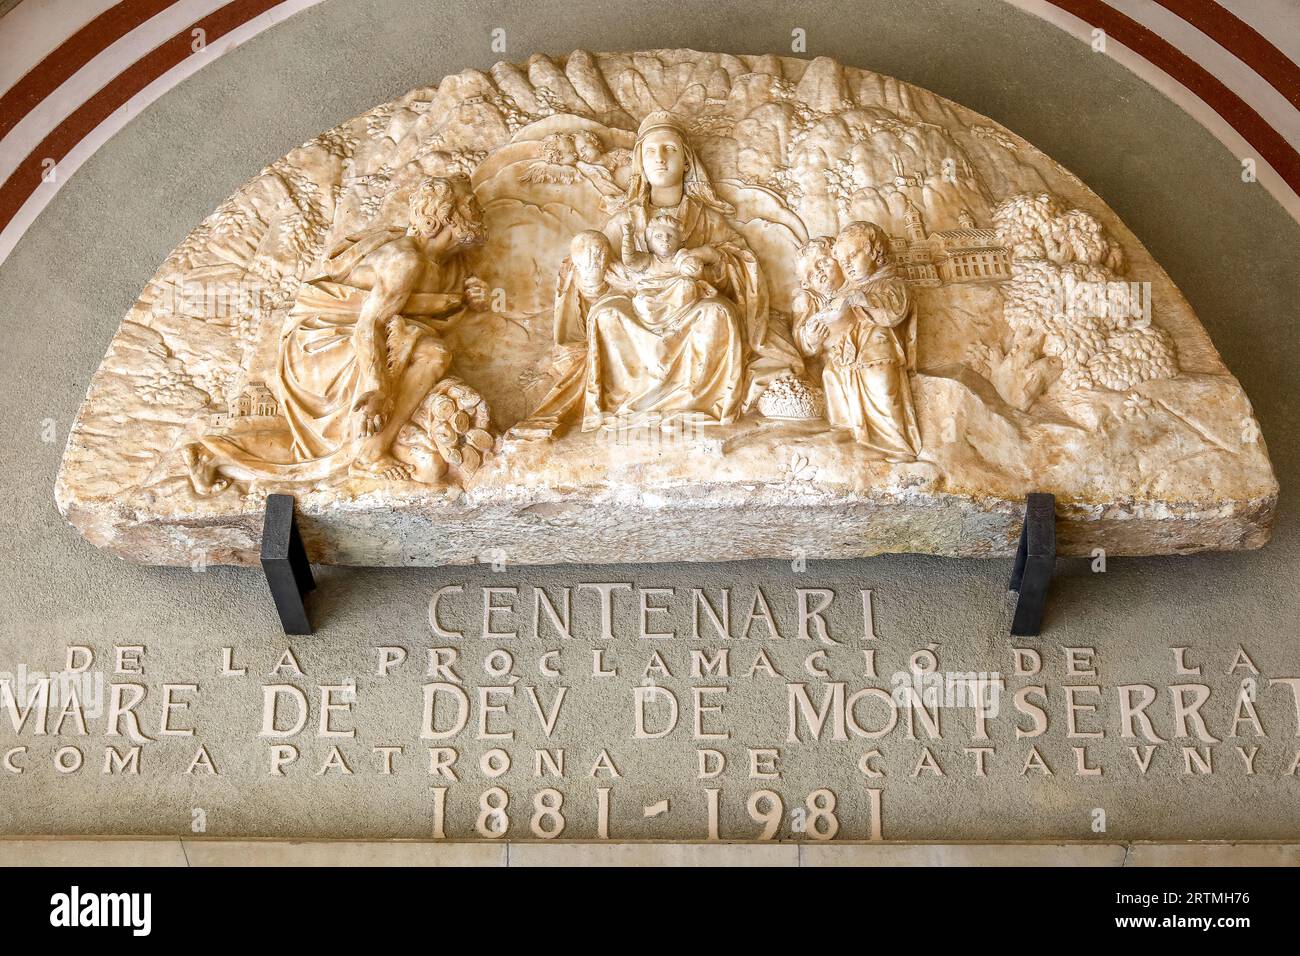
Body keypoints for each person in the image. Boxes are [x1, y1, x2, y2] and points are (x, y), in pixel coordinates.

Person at [794, 223, 921, 462]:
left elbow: (893, 310)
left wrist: (853, 301)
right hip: (848, 355)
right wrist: (812, 339)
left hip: (877, 350)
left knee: (881, 388)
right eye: (811, 274)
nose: (820, 273)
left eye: (824, 263)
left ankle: (896, 445)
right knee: (832, 377)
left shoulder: (885, 283)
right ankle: (847, 429)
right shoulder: (813, 301)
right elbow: (804, 341)